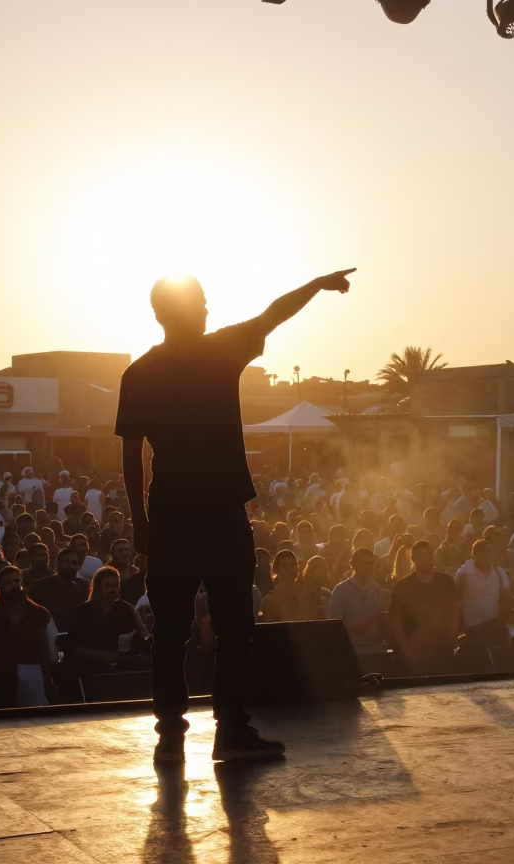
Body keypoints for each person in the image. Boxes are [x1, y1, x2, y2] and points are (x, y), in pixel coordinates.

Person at [119, 272, 354, 763]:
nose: (208, 309)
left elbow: (131, 455)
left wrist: (141, 523)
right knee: (233, 630)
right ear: (183, 311)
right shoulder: (221, 350)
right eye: (202, 302)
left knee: (171, 632)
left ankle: (171, 737)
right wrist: (317, 285)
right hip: (221, 514)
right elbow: (274, 313)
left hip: (170, 518)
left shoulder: (139, 372)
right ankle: (230, 731)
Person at [0, 566, 54, 708]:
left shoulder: (38, 613)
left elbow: (45, 650)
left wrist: (48, 680)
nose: (13, 586)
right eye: (8, 583)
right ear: (0, 587)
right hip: (1, 677)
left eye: (16, 581)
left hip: (32, 674)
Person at [387, 540, 460, 675]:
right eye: (423, 554)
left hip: (442, 649)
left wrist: (453, 637)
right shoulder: (403, 587)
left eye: (430, 554)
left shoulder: (446, 582)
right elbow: (395, 621)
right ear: (413, 559)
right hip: (414, 652)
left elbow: (455, 611)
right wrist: (404, 650)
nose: (429, 558)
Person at [66, 566, 150, 676]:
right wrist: (104, 655)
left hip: (123, 670)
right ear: (97, 588)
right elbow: (74, 649)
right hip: (91, 670)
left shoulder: (128, 609)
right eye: (108, 586)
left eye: (116, 585)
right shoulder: (82, 612)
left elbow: (145, 635)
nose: (113, 590)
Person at [453, 540, 511, 657]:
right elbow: (456, 599)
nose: (487, 554)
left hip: (494, 624)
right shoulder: (464, 573)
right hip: (473, 627)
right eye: (483, 551)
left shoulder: (499, 572)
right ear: (475, 554)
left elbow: (507, 595)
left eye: (489, 551)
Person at [328, 547, 385, 653]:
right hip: (351, 649)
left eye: (371, 563)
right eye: (365, 563)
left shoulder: (378, 590)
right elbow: (334, 624)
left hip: (376, 649)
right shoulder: (341, 590)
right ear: (354, 564)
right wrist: (358, 628)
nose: (369, 567)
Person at [28, 547, 89, 631]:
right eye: (67, 562)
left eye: (74, 563)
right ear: (58, 564)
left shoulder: (82, 586)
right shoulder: (40, 587)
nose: (70, 566)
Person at [261, 550, 320, 622]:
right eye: (284, 566)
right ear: (275, 570)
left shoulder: (307, 594)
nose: (290, 569)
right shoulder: (270, 600)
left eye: (293, 564)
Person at [108, 539, 144, 605]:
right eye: (120, 550)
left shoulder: (139, 575)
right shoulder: (107, 576)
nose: (124, 553)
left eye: (127, 550)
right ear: (112, 554)